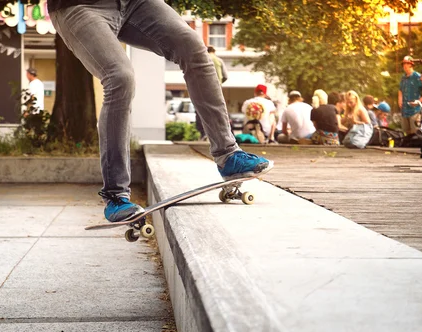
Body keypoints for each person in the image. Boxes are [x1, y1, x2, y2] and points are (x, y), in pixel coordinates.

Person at [47, 0, 271, 222]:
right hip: (78, 6)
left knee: (193, 47)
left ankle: (228, 155)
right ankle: (115, 195)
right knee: (120, 77)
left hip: (136, 4)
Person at [196, 46, 228, 140]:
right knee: (217, 111)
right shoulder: (219, 60)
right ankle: (220, 135)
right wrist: (219, 83)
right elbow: (225, 76)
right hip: (216, 90)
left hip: (202, 89)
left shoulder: (201, 59)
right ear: (214, 51)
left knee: (200, 111)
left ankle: (203, 133)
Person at [398, 56, 422, 135]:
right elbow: (400, 89)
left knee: (415, 132)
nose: (404, 66)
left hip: (414, 110)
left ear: (411, 65)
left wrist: (420, 100)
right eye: (403, 64)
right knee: (406, 131)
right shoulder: (403, 77)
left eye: (407, 64)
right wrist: (400, 98)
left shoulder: (417, 77)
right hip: (404, 109)